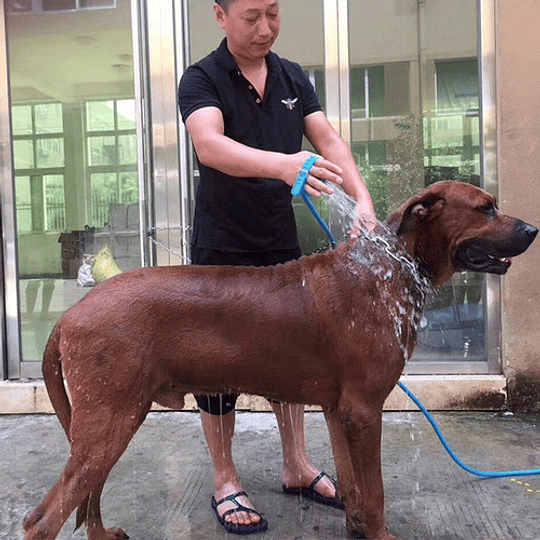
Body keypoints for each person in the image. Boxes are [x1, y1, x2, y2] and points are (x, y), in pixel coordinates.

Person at [178, 0, 376, 534]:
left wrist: (362, 200)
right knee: (216, 366)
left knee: (290, 357)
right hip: (223, 249)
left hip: (280, 245)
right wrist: (284, 165)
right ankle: (225, 479)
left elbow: (328, 140)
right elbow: (210, 146)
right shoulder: (202, 78)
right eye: (251, 16)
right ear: (220, 16)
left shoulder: (292, 76)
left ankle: (297, 465)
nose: (265, 28)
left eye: (273, 13)